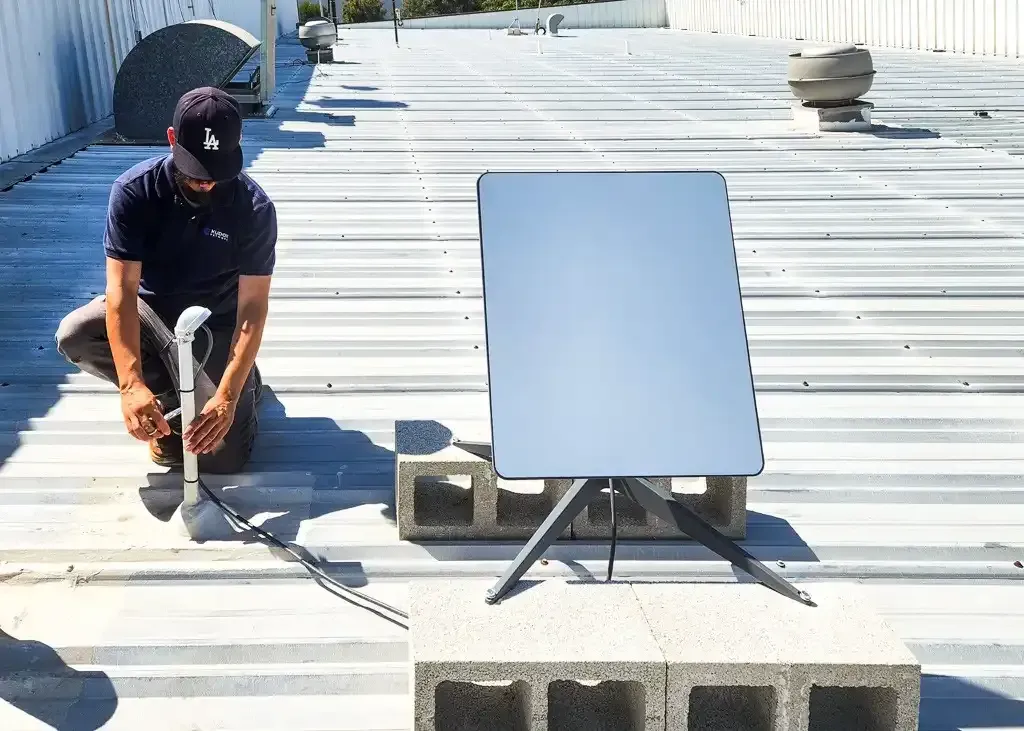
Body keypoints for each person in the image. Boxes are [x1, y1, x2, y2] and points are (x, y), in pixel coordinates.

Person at [55, 86, 277, 473]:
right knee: (75, 333)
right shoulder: (134, 192)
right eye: (195, 170)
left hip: (215, 323)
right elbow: (121, 292)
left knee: (220, 457)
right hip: (149, 314)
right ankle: (163, 393)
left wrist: (227, 394)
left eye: (216, 170)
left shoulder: (254, 208)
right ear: (172, 139)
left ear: (238, 142)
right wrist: (130, 385)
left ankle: (245, 380)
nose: (206, 182)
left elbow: (253, 307)